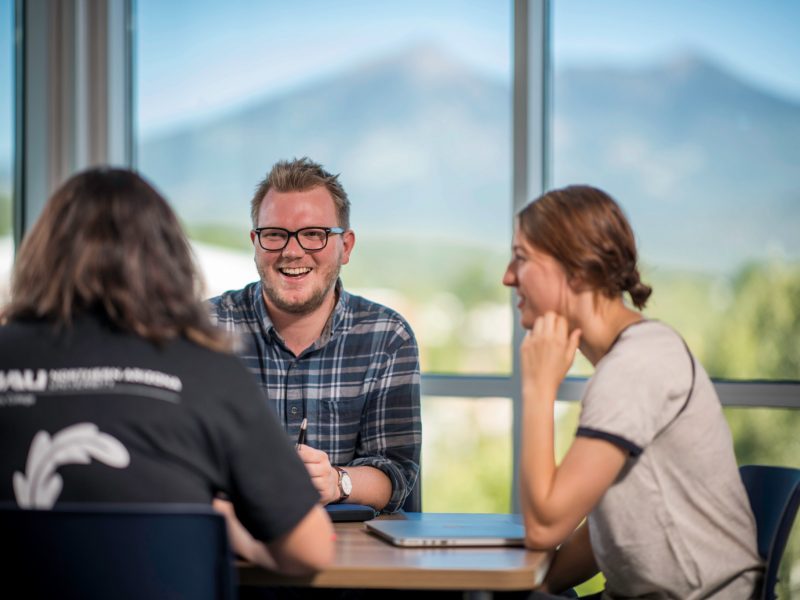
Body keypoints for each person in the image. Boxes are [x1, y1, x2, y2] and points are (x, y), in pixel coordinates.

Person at [0, 167, 334, 575]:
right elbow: (312, 550)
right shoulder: (208, 366)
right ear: (165, 258)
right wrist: (226, 524)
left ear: (43, 253)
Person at [502, 185, 762, 598]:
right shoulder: (628, 360)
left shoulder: (636, 366)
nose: (508, 277)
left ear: (577, 269)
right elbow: (606, 534)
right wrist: (532, 586)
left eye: (522, 257)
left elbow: (544, 527)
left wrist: (538, 387)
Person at [209, 157, 421, 513]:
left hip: (351, 555)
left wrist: (337, 481)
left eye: (313, 234)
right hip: (230, 547)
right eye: (274, 234)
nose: (293, 251)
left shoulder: (387, 337)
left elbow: (397, 474)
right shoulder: (205, 330)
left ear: (346, 247)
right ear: (255, 243)